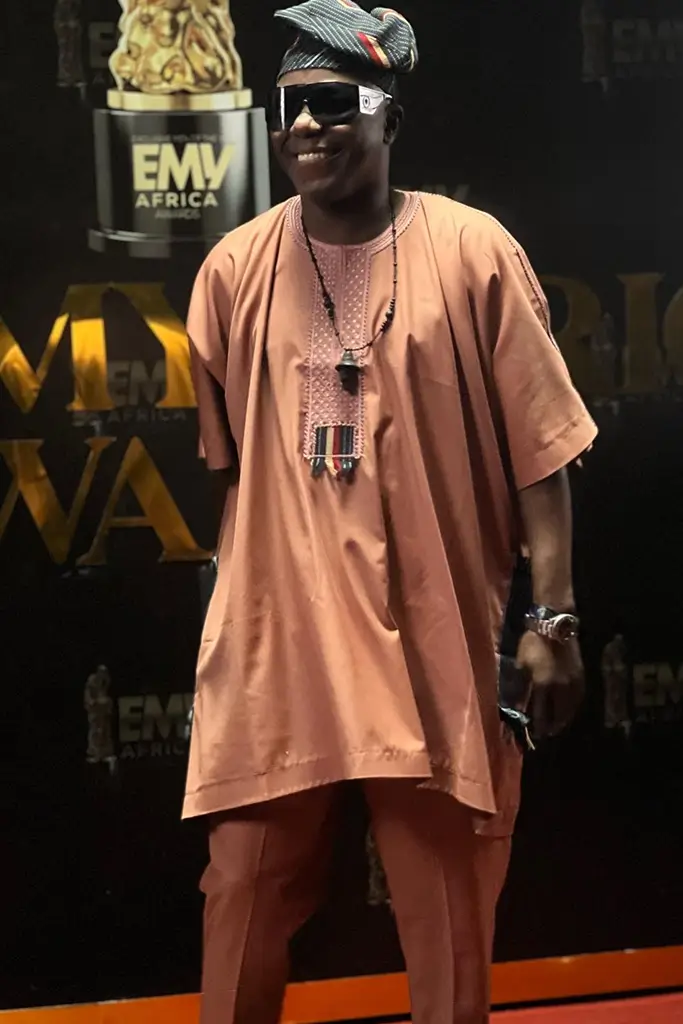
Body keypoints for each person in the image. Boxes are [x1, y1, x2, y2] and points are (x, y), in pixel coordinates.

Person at [183, 2, 597, 1021]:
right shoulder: (232, 270)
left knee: (448, 929)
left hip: (431, 651)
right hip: (280, 655)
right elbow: (233, 475)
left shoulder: (471, 251)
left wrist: (551, 619)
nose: (306, 125)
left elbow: (541, 452)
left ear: (388, 120)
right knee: (238, 902)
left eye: (333, 102)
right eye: (289, 107)